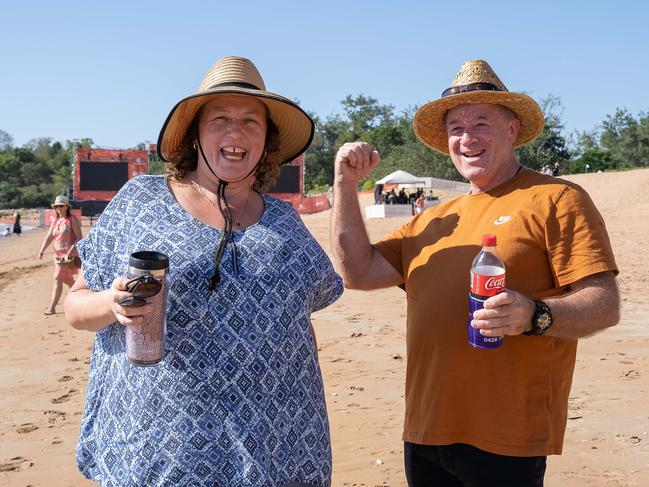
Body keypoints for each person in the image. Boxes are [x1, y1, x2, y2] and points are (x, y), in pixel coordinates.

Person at [331, 59, 619, 486]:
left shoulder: (556, 198)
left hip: (506, 435)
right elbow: (357, 272)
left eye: (481, 123)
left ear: (511, 130)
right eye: (455, 128)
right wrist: (344, 185)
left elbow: (605, 303)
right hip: (426, 429)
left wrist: (536, 315)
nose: (467, 138)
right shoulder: (434, 218)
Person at [64, 56, 342, 487]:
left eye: (252, 121)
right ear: (195, 135)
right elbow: (74, 306)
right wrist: (111, 303)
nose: (236, 132)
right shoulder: (142, 201)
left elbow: (300, 329)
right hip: (163, 451)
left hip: (273, 455)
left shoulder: (285, 223)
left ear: (266, 141)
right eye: (220, 119)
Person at [37, 196, 82, 315]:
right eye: (56, 206)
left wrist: (70, 251)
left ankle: (51, 307)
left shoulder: (72, 219)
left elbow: (79, 237)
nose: (58, 208)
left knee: (57, 279)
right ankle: (81, 293)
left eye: (61, 206)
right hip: (57, 256)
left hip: (67, 256)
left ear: (67, 207)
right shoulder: (55, 220)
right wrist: (41, 250)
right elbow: (49, 237)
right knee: (66, 279)